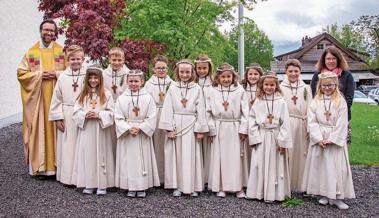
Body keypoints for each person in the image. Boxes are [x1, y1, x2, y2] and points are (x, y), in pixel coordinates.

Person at [17, 19, 66, 176]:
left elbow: (73, 72)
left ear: (55, 33)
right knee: (39, 129)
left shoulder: (62, 51)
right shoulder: (31, 52)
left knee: (59, 129)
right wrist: (39, 75)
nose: (49, 33)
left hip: (57, 98)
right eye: (46, 30)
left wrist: (57, 74)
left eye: (52, 30)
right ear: (40, 31)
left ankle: (60, 167)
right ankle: (40, 167)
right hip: (38, 100)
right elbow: (21, 73)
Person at [302, 71, 355, 209]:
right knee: (322, 167)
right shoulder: (315, 101)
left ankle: (337, 197)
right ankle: (324, 194)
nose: (327, 88)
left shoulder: (340, 100)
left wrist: (332, 139)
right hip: (320, 136)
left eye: (330, 85)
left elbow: (342, 122)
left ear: (335, 84)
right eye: (324, 85)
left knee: (336, 167)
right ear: (320, 85)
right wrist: (319, 138)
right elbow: (311, 120)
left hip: (334, 139)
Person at [158, 59, 208, 197]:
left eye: (187, 72)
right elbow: (167, 108)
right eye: (182, 72)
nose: (184, 75)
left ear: (192, 73)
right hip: (176, 124)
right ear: (177, 72)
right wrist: (169, 129)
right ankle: (178, 185)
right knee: (177, 157)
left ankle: (193, 186)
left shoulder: (197, 88)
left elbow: (201, 109)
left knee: (192, 156)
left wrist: (200, 129)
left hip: (191, 125)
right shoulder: (173, 88)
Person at [246, 72, 292, 202]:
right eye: (266, 84)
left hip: (276, 136)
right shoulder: (258, 101)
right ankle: (258, 192)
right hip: (262, 136)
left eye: (272, 85)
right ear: (262, 85)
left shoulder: (281, 101)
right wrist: (254, 137)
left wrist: (282, 142)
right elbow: (252, 119)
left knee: (275, 164)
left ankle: (275, 194)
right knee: (258, 163)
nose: (269, 87)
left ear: (276, 86)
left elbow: (285, 122)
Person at [114, 69, 160, 198]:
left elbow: (152, 116)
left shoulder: (148, 98)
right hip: (128, 134)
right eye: (131, 81)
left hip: (141, 134)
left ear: (142, 81)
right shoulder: (121, 98)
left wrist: (141, 127)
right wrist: (128, 128)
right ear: (127, 82)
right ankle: (130, 186)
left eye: (136, 81)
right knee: (127, 160)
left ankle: (142, 187)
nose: (133, 83)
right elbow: (117, 116)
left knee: (142, 160)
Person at [71, 65, 115, 195]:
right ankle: (89, 183)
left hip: (101, 130)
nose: (93, 80)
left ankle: (102, 184)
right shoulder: (83, 95)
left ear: (100, 79)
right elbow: (76, 111)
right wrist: (85, 115)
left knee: (102, 155)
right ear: (87, 79)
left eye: (96, 77)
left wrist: (99, 115)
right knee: (88, 155)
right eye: (90, 78)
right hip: (87, 129)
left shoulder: (107, 94)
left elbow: (112, 112)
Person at [206, 63, 249, 198]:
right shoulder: (212, 91)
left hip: (235, 126)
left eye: (228, 76)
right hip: (219, 126)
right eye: (223, 77)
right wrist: (212, 129)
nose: (226, 79)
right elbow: (208, 111)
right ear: (218, 78)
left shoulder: (240, 90)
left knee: (236, 157)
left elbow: (246, 112)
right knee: (220, 158)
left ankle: (238, 187)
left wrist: (243, 129)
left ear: (233, 77)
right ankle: (221, 186)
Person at [48, 45, 86, 184]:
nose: (76, 61)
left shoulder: (88, 75)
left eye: (78, 59)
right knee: (68, 146)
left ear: (83, 59)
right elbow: (56, 98)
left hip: (82, 114)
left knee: (82, 145)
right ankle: (68, 178)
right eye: (73, 59)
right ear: (68, 60)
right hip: (67, 114)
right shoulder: (63, 77)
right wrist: (57, 118)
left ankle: (82, 178)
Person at [310, 46, 354, 144]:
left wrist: (334, 114)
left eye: (334, 58)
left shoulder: (347, 75)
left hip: (340, 119)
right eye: (328, 58)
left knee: (338, 151)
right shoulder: (317, 75)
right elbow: (314, 96)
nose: (331, 61)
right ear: (324, 60)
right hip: (320, 120)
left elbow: (349, 99)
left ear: (338, 60)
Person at [279, 59, 312, 192]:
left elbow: (310, 107)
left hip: (302, 123)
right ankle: (286, 185)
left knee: (301, 154)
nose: (293, 74)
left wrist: (309, 127)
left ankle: (300, 185)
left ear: (300, 71)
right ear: (286, 72)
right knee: (287, 153)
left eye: (296, 71)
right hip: (286, 123)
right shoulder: (280, 88)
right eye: (290, 71)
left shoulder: (306, 88)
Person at [144, 55, 173, 183]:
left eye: (163, 68)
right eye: (158, 68)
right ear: (154, 69)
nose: (161, 70)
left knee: (168, 146)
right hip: (154, 115)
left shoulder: (173, 84)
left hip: (168, 115)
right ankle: (156, 178)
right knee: (155, 146)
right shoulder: (148, 84)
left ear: (167, 69)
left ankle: (168, 177)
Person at [194, 54, 213, 187]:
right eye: (199, 68)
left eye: (204, 68)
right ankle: (198, 177)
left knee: (209, 148)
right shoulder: (192, 82)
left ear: (209, 68)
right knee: (197, 149)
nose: (201, 70)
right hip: (194, 119)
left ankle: (208, 178)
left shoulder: (214, 82)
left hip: (210, 117)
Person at [241, 63, 263, 171]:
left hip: (257, 125)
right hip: (245, 123)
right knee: (244, 151)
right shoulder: (241, 88)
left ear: (260, 76)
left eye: (255, 74)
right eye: (250, 74)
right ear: (246, 75)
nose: (253, 76)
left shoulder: (263, 89)